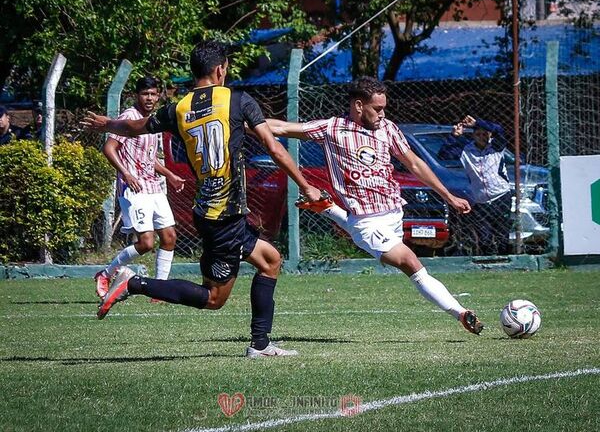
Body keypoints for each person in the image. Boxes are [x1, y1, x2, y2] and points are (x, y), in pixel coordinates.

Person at [82, 40, 321, 358]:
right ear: (220, 69)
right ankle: (134, 283)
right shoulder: (237, 100)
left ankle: (260, 344)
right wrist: (307, 186)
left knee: (270, 261)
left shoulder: (179, 108)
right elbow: (274, 148)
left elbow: (136, 127)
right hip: (225, 216)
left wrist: (106, 124)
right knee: (214, 298)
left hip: (210, 210)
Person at [267, 76, 484, 335]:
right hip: (367, 222)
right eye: (377, 109)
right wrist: (236, 119)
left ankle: (328, 209)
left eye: (384, 108)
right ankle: (460, 313)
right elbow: (279, 127)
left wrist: (448, 196)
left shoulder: (388, 129)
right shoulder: (333, 129)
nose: (382, 114)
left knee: (409, 262)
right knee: (411, 263)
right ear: (359, 106)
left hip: (394, 214)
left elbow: (414, 164)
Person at [93, 77, 186, 300]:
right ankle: (105, 274)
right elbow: (109, 148)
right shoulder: (129, 118)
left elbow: (148, 158)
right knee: (146, 243)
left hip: (154, 186)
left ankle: (160, 290)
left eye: (154, 94)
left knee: (170, 236)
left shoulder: (152, 122)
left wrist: (170, 175)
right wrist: (126, 173)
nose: (150, 98)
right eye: (146, 94)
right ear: (137, 95)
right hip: (134, 189)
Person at [439, 115, 512, 255]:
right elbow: (444, 155)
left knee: (502, 234)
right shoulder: (466, 150)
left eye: (485, 133)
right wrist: (454, 136)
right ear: (473, 136)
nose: (482, 137)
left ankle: (505, 258)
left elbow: (500, 130)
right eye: (478, 134)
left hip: (501, 195)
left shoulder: (496, 147)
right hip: (480, 199)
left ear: (490, 135)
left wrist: (477, 123)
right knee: (484, 236)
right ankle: (486, 259)